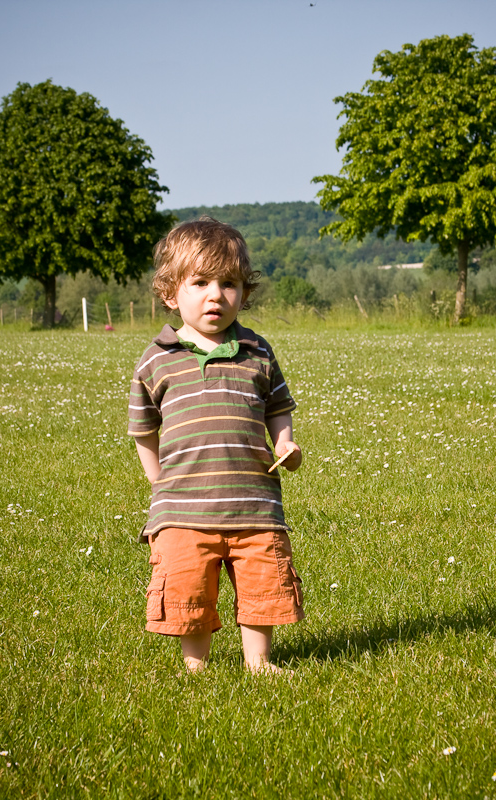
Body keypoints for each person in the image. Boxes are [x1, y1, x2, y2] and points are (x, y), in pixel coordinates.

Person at [128, 217, 305, 674]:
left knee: (262, 584)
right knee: (189, 588)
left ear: (244, 293)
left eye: (229, 283)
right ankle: (196, 666)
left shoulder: (257, 351)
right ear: (171, 293)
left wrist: (284, 440)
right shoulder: (158, 358)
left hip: (254, 504)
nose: (216, 295)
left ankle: (259, 662)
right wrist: (157, 482)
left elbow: (277, 405)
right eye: (200, 282)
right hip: (183, 509)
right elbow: (143, 428)